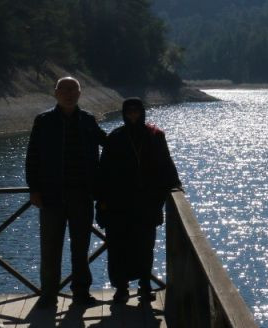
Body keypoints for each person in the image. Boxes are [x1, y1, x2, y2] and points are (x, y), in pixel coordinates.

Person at [25, 76, 106, 305]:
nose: (69, 93)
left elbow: (109, 144)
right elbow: (32, 157)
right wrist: (34, 189)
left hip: (82, 195)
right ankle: (48, 295)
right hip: (51, 196)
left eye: (73, 89)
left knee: (80, 249)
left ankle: (81, 293)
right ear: (56, 93)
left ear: (80, 93)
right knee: (50, 249)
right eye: (65, 89)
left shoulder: (88, 120)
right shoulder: (43, 121)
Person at [97, 97, 182, 304]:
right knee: (117, 248)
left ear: (142, 112)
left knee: (145, 247)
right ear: (124, 113)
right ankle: (121, 288)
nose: (133, 115)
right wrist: (100, 201)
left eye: (136, 111)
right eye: (129, 112)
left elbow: (166, 162)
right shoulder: (115, 137)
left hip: (146, 203)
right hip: (118, 205)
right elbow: (103, 171)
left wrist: (176, 184)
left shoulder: (155, 136)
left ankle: (145, 285)